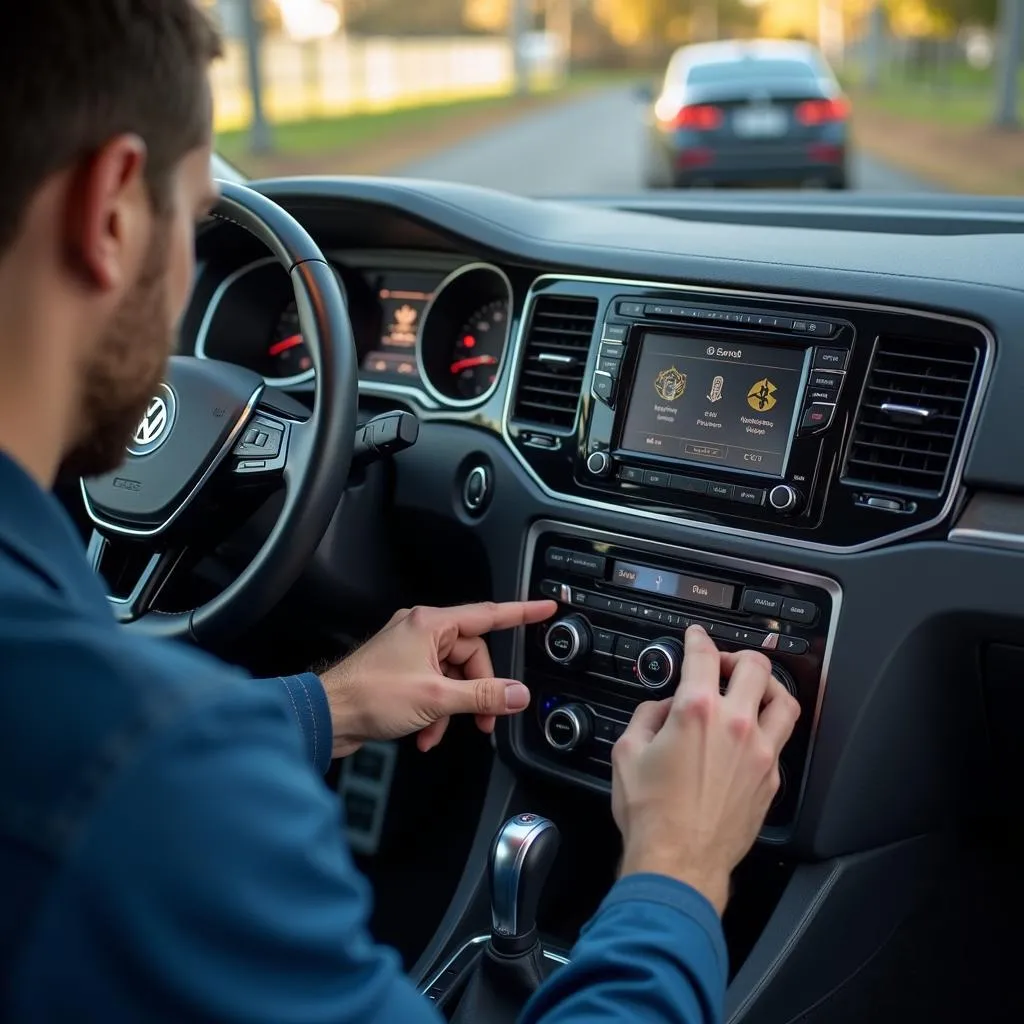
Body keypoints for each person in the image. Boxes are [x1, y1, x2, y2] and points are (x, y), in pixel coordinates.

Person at [0, 3, 801, 1021]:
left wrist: (316, 707)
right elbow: (116, 763)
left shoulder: (112, 738)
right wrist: (679, 866)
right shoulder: (157, 787)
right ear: (110, 212)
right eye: (193, 219)